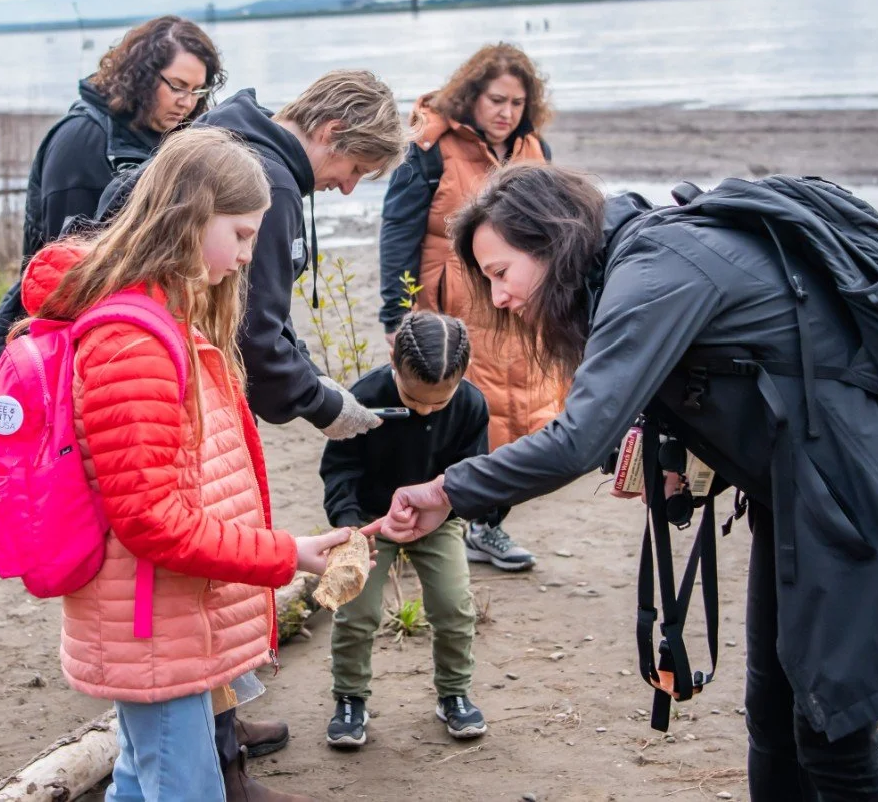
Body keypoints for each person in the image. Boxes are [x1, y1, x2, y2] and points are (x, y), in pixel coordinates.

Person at [364, 163, 878, 800]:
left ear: (551, 238)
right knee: (773, 712)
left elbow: (579, 439)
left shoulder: (651, 268)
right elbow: (752, 371)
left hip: (851, 488)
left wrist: (447, 491)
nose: (498, 298)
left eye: (501, 273)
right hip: (801, 490)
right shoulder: (634, 258)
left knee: (831, 730)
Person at [18, 127, 349, 802]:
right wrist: (288, 555)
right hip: (150, 621)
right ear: (190, 217)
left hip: (162, 617)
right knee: (182, 787)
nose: (246, 256)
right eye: (242, 233)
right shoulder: (132, 342)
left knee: (143, 780)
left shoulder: (162, 318)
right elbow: (153, 522)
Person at [100, 69, 409, 440]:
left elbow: (263, 307)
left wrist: (314, 376)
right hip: (172, 382)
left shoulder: (231, 132)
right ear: (332, 131)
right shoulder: (272, 182)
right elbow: (252, 334)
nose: (347, 188)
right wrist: (322, 404)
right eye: (356, 168)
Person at [378, 43, 557, 573]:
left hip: (519, 309)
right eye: (496, 99)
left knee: (524, 419)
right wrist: (396, 312)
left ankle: (486, 525)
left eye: (517, 103)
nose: (506, 113)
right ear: (471, 96)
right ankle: (431, 521)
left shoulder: (533, 148)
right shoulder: (431, 146)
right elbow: (399, 227)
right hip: (451, 308)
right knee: (462, 416)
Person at [0, 15, 223, 379]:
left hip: (137, 330)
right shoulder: (81, 142)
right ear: (142, 74)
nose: (187, 102)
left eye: (197, 91)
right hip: (84, 343)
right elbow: (61, 268)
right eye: (177, 86)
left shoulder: (165, 137)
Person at [319, 311, 489, 748]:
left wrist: (445, 507)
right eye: (414, 400)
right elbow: (340, 469)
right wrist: (351, 525)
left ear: (462, 377)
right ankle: (350, 698)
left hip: (438, 522)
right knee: (356, 613)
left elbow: (472, 475)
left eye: (439, 401)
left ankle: (454, 693)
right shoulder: (362, 397)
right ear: (394, 364)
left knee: (454, 609)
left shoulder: (471, 404)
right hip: (369, 521)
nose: (426, 409)